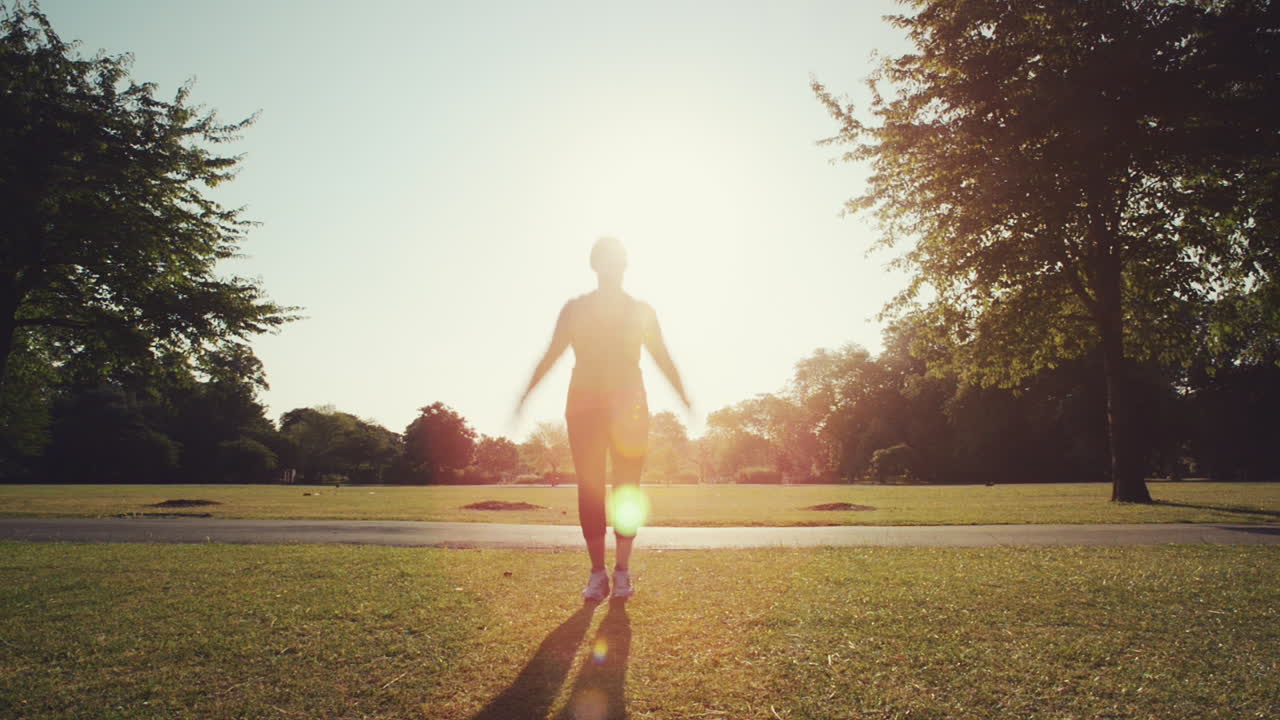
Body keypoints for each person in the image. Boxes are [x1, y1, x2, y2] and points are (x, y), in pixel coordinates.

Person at [518, 237, 690, 602]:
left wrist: (684, 396)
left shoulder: (641, 310)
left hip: (630, 407)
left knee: (628, 488)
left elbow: (662, 356)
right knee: (591, 487)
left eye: (619, 261)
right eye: (607, 261)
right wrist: (526, 392)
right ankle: (597, 572)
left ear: (626, 265)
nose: (614, 268)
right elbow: (551, 354)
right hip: (584, 406)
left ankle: (622, 571)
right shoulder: (575, 309)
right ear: (594, 265)